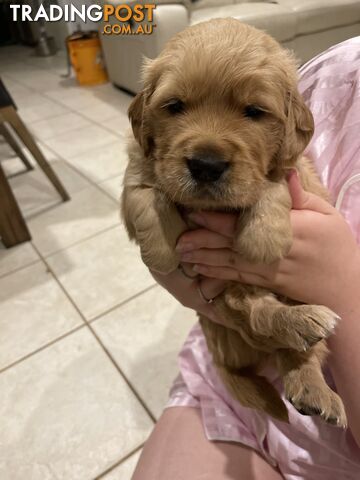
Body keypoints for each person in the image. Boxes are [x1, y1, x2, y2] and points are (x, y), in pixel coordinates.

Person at [132, 37, 360, 480]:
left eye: (252, 113)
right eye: (176, 106)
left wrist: (344, 287)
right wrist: (179, 266)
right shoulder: (336, 73)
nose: (209, 145)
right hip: (223, 374)